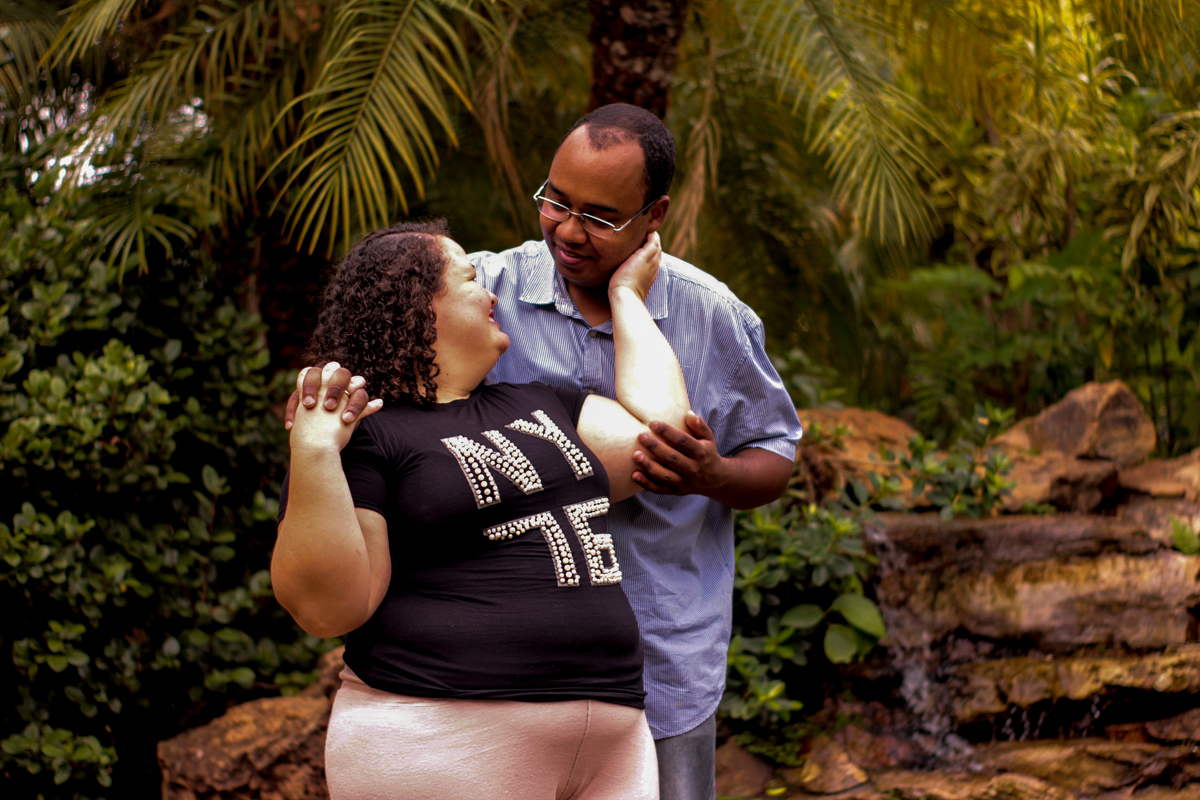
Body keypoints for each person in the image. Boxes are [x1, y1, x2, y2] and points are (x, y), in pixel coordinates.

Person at [290, 104, 803, 800]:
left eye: (598, 215)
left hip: (663, 647)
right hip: (463, 697)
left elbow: (759, 452)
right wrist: (316, 433)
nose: (566, 228)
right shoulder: (483, 294)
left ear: (653, 215)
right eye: (554, 201)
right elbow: (378, 353)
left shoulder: (709, 314)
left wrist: (714, 473)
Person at [273, 221, 691, 800]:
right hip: (442, 736)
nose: (492, 294)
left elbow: (666, 441)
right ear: (419, 305)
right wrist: (315, 450)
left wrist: (627, 298)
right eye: (471, 278)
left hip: (614, 744)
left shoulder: (539, 402)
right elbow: (328, 607)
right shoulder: (365, 432)